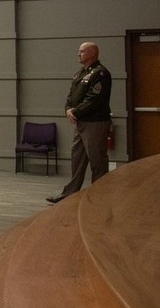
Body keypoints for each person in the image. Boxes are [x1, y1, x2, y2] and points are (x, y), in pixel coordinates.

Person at [47, 42, 113, 204]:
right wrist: (68, 109)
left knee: (97, 161)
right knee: (77, 159)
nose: (78, 54)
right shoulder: (79, 74)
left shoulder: (100, 73)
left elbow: (94, 100)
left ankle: (99, 196)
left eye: (82, 51)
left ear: (92, 54)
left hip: (95, 123)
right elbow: (71, 96)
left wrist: (75, 112)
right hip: (80, 123)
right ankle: (70, 193)